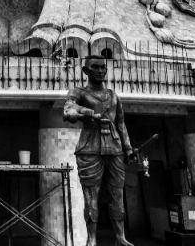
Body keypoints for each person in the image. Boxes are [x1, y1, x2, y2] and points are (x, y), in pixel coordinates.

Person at [64, 55, 135, 246]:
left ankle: (120, 237)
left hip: (114, 148)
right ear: (86, 71)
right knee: (91, 196)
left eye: (103, 67)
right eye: (95, 67)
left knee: (117, 194)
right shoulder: (78, 92)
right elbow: (68, 111)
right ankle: (92, 239)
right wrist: (86, 113)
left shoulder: (113, 96)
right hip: (90, 147)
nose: (100, 70)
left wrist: (128, 148)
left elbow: (120, 123)